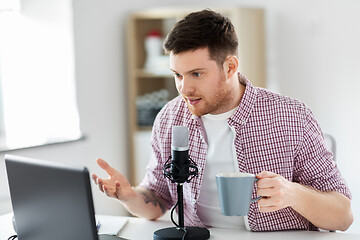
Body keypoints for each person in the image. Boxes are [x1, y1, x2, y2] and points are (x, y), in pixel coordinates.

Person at [92, 9, 353, 231]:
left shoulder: (292, 116)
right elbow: (156, 201)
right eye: (178, 75)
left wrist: (294, 194)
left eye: (196, 74)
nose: (184, 88)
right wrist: (128, 196)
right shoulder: (169, 118)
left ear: (230, 67)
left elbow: (343, 216)